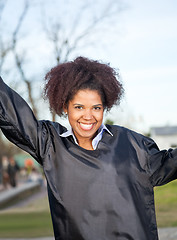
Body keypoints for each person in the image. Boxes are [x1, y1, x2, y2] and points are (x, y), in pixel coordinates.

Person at [0, 56, 177, 240]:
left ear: (104, 108)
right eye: (79, 107)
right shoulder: (50, 144)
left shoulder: (132, 145)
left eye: (96, 108)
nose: (88, 116)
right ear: (65, 107)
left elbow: (169, 163)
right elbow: (9, 110)